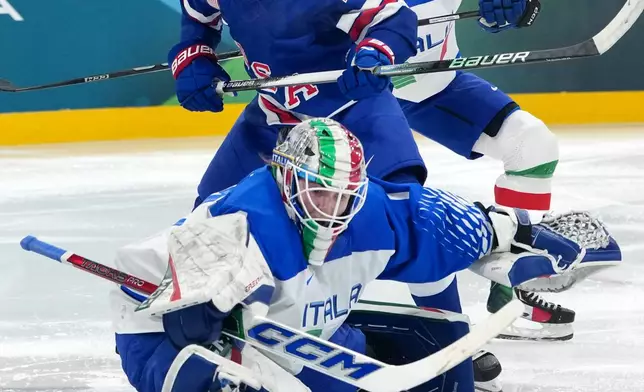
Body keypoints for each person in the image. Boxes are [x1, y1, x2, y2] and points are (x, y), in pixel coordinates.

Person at [109, 118, 608, 392]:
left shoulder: (371, 209)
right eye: (321, 193)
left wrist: (516, 231)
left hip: (313, 335)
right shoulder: (237, 226)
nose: (335, 209)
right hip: (178, 349)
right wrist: (188, 313)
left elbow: (447, 226)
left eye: (346, 194)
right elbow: (133, 278)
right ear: (288, 179)